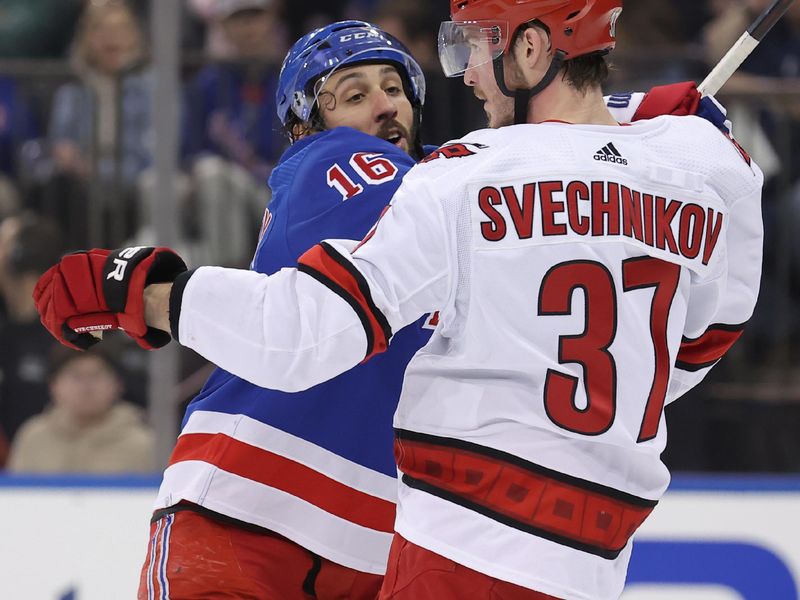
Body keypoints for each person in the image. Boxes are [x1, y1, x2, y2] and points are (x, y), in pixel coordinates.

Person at [33, 4, 762, 599]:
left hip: (386, 540)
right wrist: (630, 138)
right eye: (352, 95)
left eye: (393, 88)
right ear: (303, 128)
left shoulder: (456, 186)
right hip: (250, 511)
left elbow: (502, 188)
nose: (384, 105)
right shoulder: (351, 165)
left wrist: (611, 136)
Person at [7, 344, 155, 473]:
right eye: (76, 376)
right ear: (54, 386)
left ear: (117, 384)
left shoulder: (143, 443)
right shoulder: (33, 437)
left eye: (96, 376)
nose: (86, 387)